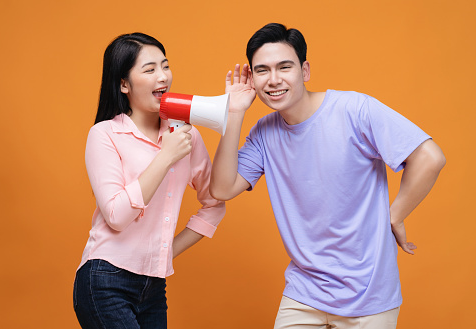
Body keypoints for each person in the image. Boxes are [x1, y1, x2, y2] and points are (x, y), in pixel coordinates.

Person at [210, 23, 446, 329]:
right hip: (304, 293)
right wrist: (234, 113)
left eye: (285, 67)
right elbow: (222, 188)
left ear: (304, 71)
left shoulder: (354, 110)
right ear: (252, 79)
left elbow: (430, 157)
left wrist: (395, 215)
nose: (274, 79)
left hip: (368, 295)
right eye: (262, 71)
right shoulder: (264, 133)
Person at [73, 32, 225, 329]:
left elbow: (215, 203)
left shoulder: (186, 135)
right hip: (105, 280)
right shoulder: (104, 135)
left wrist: (167, 250)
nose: (163, 77)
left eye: (165, 66)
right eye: (149, 69)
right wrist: (165, 156)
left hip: (153, 286)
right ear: (123, 84)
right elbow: (116, 216)